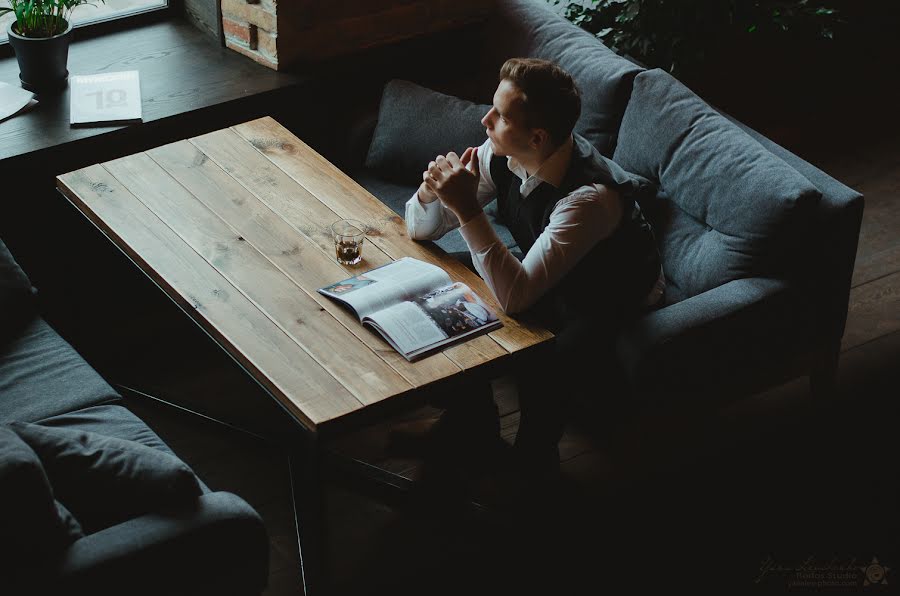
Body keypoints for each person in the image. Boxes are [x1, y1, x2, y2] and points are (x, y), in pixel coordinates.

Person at [395, 58, 665, 486]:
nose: (485, 120)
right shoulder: (500, 151)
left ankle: (535, 461)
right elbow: (419, 228)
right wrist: (432, 194)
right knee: (450, 299)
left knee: (551, 356)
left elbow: (517, 297)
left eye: (500, 116)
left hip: (611, 287)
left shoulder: (589, 199)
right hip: (551, 264)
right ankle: (471, 425)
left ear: (536, 137)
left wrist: (465, 207)